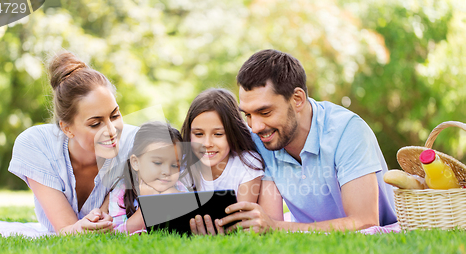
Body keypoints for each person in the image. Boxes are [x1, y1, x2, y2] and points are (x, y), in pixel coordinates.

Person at [197, 49, 397, 234]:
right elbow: (270, 223)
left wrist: (277, 226)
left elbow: (365, 221)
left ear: (298, 99)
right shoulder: (262, 139)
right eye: (248, 114)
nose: (255, 127)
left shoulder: (347, 130)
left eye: (265, 112)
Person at [8, 51, 138, 234]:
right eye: (95, 124)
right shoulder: (36, 144)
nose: (111, 130)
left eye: (115, 115)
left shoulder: (137, 142)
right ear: (67, 128)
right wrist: (85, 226)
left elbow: (178, 195)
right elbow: (66, 228)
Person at [180, 88, 270, 235]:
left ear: (232, 133)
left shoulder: (247, 164)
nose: (207, 143)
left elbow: (240, 221)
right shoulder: (183, 165)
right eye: (198, 134)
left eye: (218, 134)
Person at [102, 121, 187, 234]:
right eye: (157, 163)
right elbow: (117, 234)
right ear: (136, 162)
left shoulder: (179, 189)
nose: (167, 172)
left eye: (175, 165)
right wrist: (148, 206)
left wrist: (176, 200)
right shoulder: (122, 191)